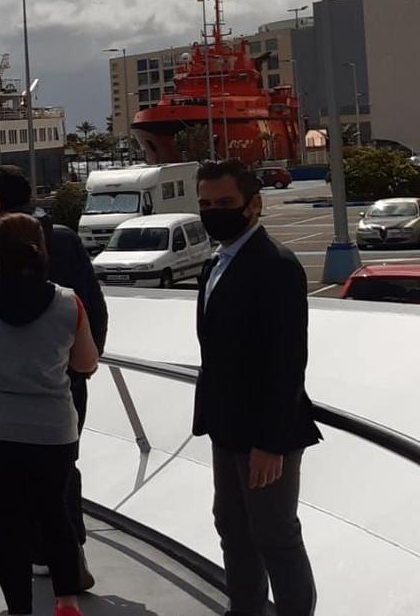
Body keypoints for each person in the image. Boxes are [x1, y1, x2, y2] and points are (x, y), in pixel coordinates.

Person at [0, 163, 106, 584]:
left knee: (9, 496)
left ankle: (30, 566)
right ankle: (71, 555)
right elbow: (94, 305)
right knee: (62, 471)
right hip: (63, 384)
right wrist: (80, 362)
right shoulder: (65, 240)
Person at [192, 159, 319, 615]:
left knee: (274, 535)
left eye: (225, 203)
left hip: (265, 435)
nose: (213, 211)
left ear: (254, 205)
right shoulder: (216, 265)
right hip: (226, 428)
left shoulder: (275, 266)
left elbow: (286, 363)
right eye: (205, 203)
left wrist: (271, 443)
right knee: (232, 526)